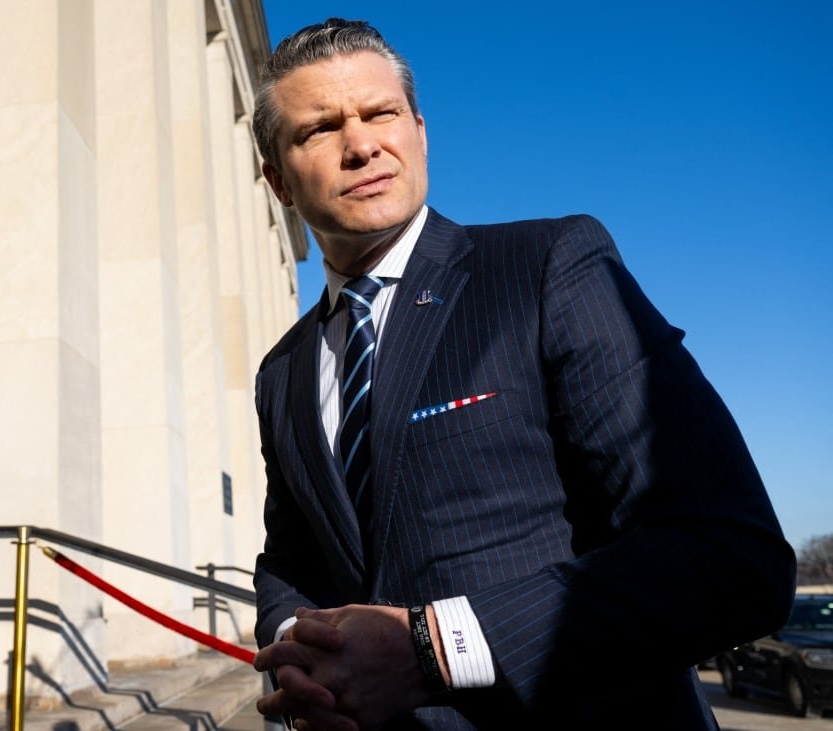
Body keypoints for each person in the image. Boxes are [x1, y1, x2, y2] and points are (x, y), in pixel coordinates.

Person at [249, 18, 796, 729]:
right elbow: (292, 557)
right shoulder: (281, 371)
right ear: (278, 182)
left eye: (381, 113)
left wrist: (429, 649)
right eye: (319, 129)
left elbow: (729, 555)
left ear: (420, 130)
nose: (361, 145)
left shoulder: (546, 267)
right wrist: (296, 643)